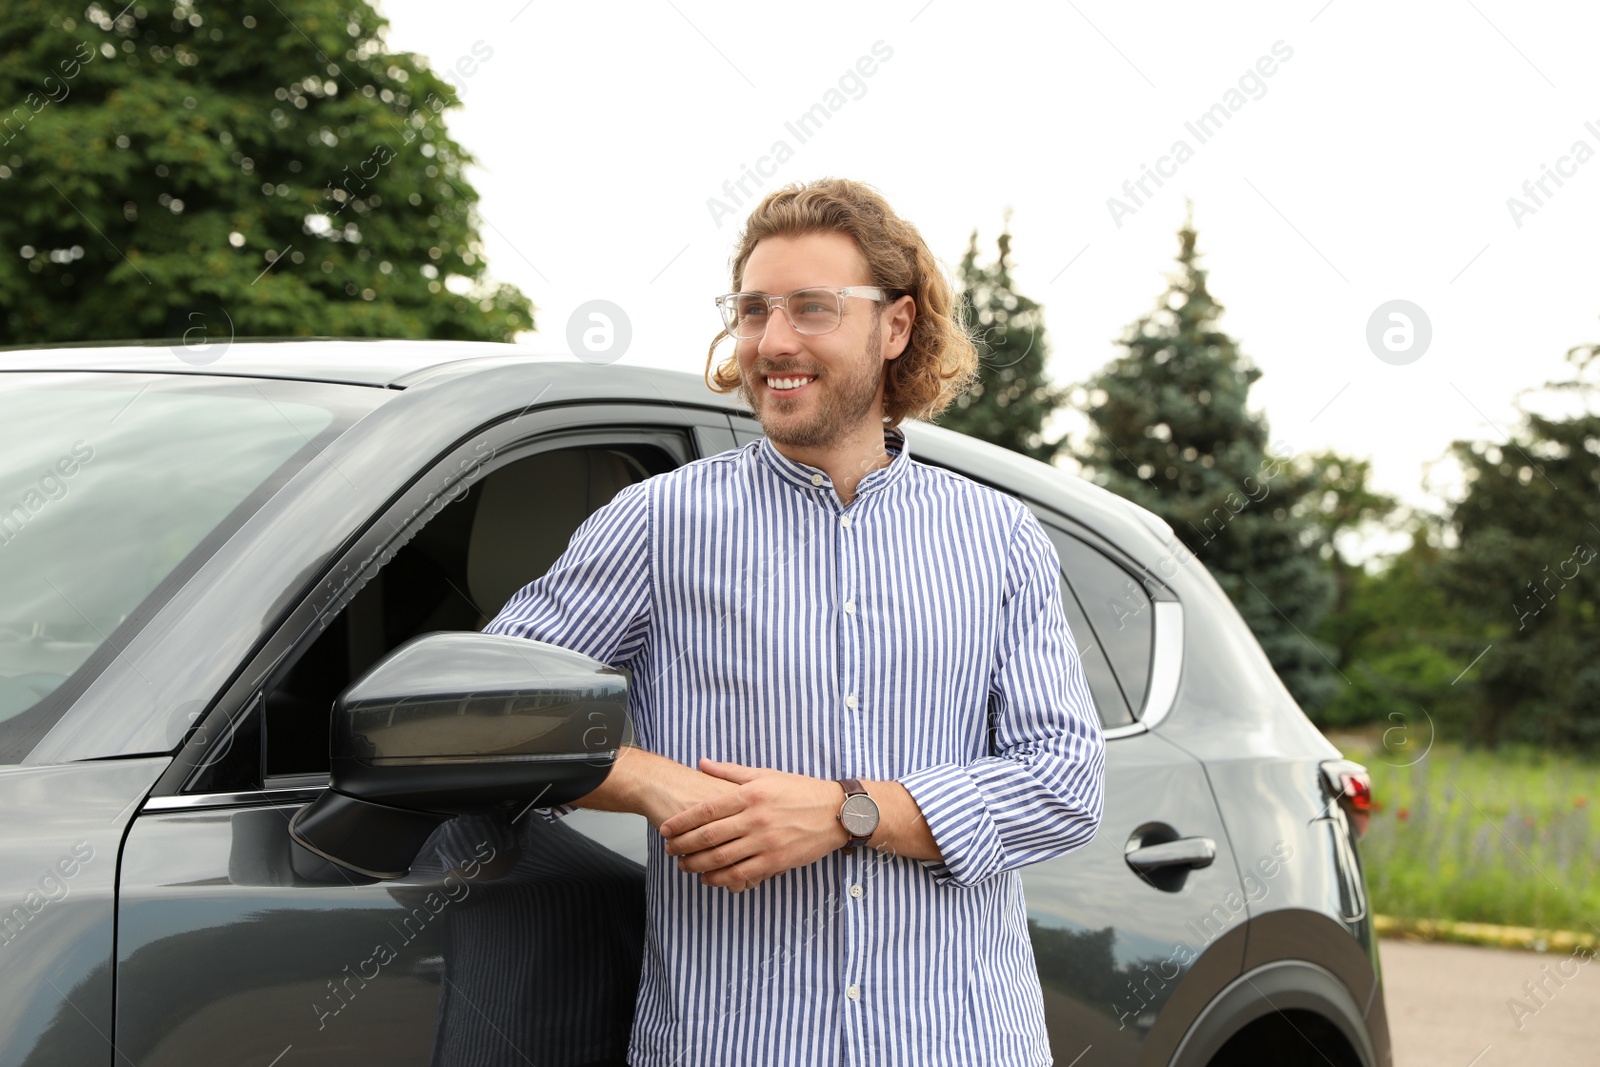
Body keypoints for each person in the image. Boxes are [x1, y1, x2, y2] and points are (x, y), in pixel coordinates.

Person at [481, 177, 1106, 1067]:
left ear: (895, 326)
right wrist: (653, 781)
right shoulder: (658, 523)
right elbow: (487, 711)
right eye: (753, 310)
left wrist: (851, 812)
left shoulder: (997, 536)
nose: (772, 342)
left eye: (813, 308)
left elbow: (1064, 783)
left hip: (961, 1043)